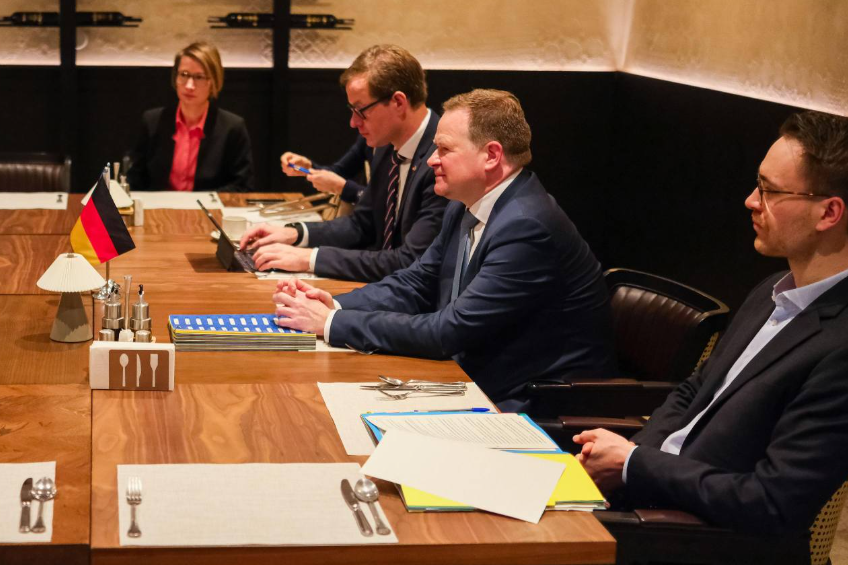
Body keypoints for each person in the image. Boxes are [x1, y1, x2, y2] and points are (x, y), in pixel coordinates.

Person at [576, 110, 848, 537]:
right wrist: (630, 457)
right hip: (644, 498)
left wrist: (634, 464)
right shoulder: (770, 290)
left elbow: (772, 503)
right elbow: (695, 390)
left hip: (687, 543)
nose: (751, 201)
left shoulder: (839, 347)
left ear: (829, 212)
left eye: (769, 191)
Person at [272, 89, 614, 410]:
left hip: (530, 404)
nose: (432, 160)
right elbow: (416, 282)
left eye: (445, 149)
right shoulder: (464, 205)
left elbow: (448, 331)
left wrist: (333, 323)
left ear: (491, 156)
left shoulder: (527, 226)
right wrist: (336, 304)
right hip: (472, 379)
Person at [240, 45, 449, 282]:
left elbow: (409, 262)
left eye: (360, 110)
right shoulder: (387, 146)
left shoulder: (441, 160)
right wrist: (294, 233)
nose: (353, 122)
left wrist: (309, 258)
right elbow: (362, 225)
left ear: (398, 103)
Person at [125, 41, 254, 193]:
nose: (189, 86)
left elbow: (242, 186)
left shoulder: (232, 127)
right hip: (159, 206)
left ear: (213, 82)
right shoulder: (152, 121)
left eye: (199, 77)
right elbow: (135, 179)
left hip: (209, 206)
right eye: (184, 75)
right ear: (175, 78)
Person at [280, 136, 372, 204]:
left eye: (363, 116)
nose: (353, 123)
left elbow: (379, 203)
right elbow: (340, 172)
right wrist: (308, 167)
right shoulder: (365, 138)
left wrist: (342, 188)